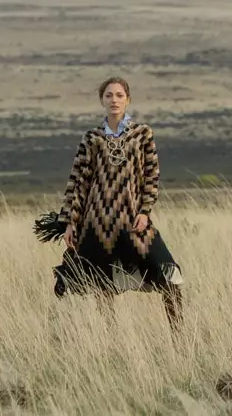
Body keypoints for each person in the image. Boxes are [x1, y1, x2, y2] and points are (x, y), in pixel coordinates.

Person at [50, 76, 184, 332]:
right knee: (103, 284)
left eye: (119, 95)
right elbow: (78, 182)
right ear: (102, 100)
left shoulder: (142, 134)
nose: (114, 100)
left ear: (128, 99)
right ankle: (112, 344)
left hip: (133, 220)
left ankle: (181, 340)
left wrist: (145, 212)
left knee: (169, 275)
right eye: (109, 95)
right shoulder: (91, 138)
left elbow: (152, 175)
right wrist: (69, 222)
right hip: (98, 222)